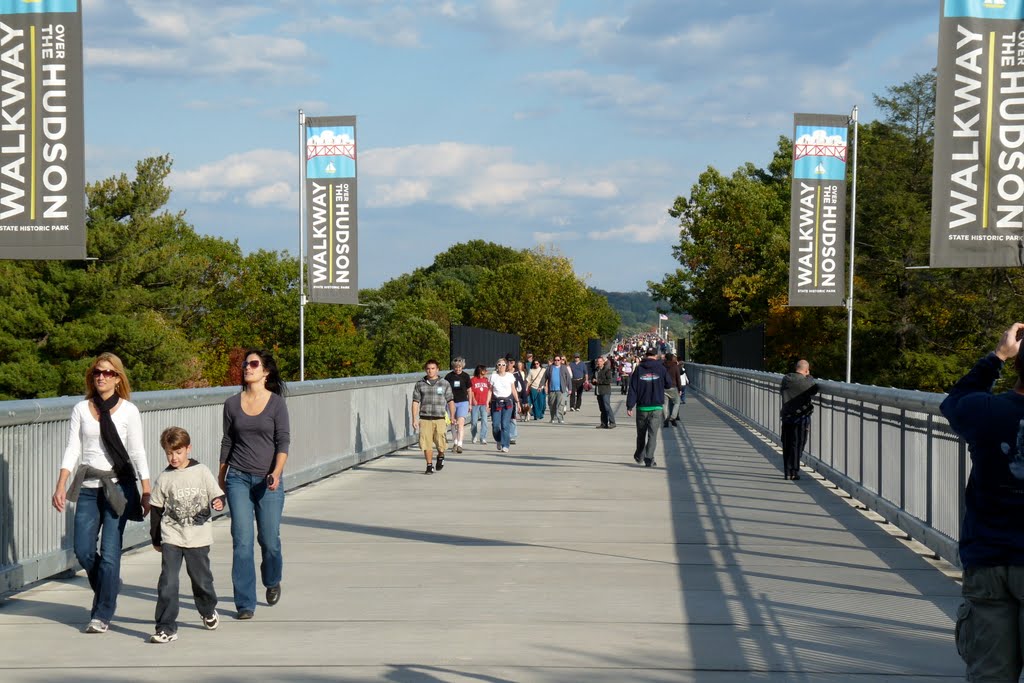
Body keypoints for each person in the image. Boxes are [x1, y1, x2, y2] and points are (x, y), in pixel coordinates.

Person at [941, 322, 1024, 681]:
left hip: (989, 560)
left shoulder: (986, 411)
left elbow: (954, 402)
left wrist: (999, 356)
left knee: (990, 674)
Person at [51, 352, 151, 634]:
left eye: (108, 372)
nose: (101, 376)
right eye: (97, 371)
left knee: (109, 554)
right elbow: (73, 448)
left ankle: (101, 613)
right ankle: (109, 586)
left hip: (118, 487)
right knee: (83, 550)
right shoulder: (81, 409)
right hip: (87, 487)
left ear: (118, 378)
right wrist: (61, 483)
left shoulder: (129, 411)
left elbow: (137, 451)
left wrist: (146, 490)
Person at [219, 349, 290, 620]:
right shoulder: (231, 404)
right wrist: (221, 478)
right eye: (245, 364)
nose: (247, 367)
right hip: (237, 477)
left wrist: (277, 471)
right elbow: (227, 442)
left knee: (269, 540)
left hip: (268, 480)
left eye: (253, 364)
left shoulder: (276, 404)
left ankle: (272, 579)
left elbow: (283, 441)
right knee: (242, 540)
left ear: (265, 371)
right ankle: (245, 603)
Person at [149, 426, 225, 643]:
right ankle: (166, 627)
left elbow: (217, 495)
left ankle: (208, 609)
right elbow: (156, 509)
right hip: (172, 536)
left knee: (201, 580)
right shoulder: (164, 478)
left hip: (198, 537)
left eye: (178, 452)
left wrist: (218, 502)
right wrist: (156, 538)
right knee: (168, 582)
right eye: (169, 453)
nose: (174, 458)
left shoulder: (201, 471)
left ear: (188, 449)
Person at [626, 348, 673, 467]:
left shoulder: (639, 369)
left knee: (641, 434)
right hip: (656, 407)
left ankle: (639, 455)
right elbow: (668, 383)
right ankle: (649, 458)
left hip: (642, 407)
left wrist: (630, 405)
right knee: (652, 435)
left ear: (646, 355)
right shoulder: (661, 368)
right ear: (656, 356)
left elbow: (633, 388)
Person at [411, 359, 455, 474]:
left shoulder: (444, 383)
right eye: (428, 369)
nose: (430, 371)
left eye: (433, 368)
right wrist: (414, 418)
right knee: (426, 444)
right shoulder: (420, 384)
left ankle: (441, 456)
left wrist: (452, 416)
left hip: (439, 418)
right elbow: (415, 402)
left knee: (441, 444)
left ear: (437, 370)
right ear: (425, 370)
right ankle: (429, 465)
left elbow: (450, 401)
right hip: (425, 418)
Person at [779, 359, 818, 481]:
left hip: (786, 417)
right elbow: (814, 389)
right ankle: (794, 471)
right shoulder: (805, 382)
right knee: (798, 444)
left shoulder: (786, 379)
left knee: (787, 444)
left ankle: (788, 472)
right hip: (800, 418)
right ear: (806, 370)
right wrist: (810, 376)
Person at [489, 358, 520, 453]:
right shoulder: (493, 376)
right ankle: (498, 439)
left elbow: (513, 389)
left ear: (506, 366)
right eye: (499, 365)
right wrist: (487, 402)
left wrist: (518, 402)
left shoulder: (510, 376)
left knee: (505, 424)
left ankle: (505, 445)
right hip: (496, 402)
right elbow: (490, 390)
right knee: (496, 425)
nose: (501, 367)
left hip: (508, 402)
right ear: (496, 366)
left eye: (503, 365)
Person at [444, 357, 471, 454]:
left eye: (459, 367)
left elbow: (469, 390)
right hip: (451, 402)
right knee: (452, 423)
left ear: (462, 366)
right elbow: (445, 389)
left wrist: (470, 403)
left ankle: (460, 444)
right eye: (456, 367)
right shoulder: (448, 377)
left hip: (463, 402)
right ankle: (455, 442)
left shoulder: (466, 376)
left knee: (460, 424)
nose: (458, 369)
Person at [545, 355, 571, 424]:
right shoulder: (550, 368)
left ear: (560, 361)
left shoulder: (564, 368)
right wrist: (541, 386)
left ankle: (560, 418)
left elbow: (568, 378)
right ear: (553, 361)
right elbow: (545, 377)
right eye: (555, 360)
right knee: (552, 405)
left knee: (561, 405)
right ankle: (552, 418)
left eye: (558, 360)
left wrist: (570, 388)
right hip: (552, 390)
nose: (556, 361)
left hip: (561, 390)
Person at [469, 364, 491, 444]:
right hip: (476, 403)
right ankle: (474, 435)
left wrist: (488, 403)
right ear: (480, 371)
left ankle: (483, 437)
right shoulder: (473, 380)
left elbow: (489, 391)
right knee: (474, 421)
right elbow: (471, 391)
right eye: (484, 370)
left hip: (484, 403)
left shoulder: (486, 380)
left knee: (484, 421)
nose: (486, 372)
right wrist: (473, 399)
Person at [593, 355, 617, 429]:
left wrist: (598, 381)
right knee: (602, 408)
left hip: (605, 391)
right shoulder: (596, 370)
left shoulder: (607, 370)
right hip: (598, 391)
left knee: (607, 407)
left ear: (603, 362)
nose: (599, 363)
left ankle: (612, 422)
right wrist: (593, 381)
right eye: (598, 361)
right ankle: (604, 423)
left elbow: (609, 380)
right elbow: (594, 379)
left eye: (600, 361)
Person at [663, 353, 683, 427]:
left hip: (664, 387)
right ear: (672, 358)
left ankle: (665, 419)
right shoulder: (675, 366)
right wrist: (680, 389)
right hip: (673, 387)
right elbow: (678, 378)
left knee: (665, 404)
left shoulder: (662, 366)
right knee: (677, 402)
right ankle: (673, 417)